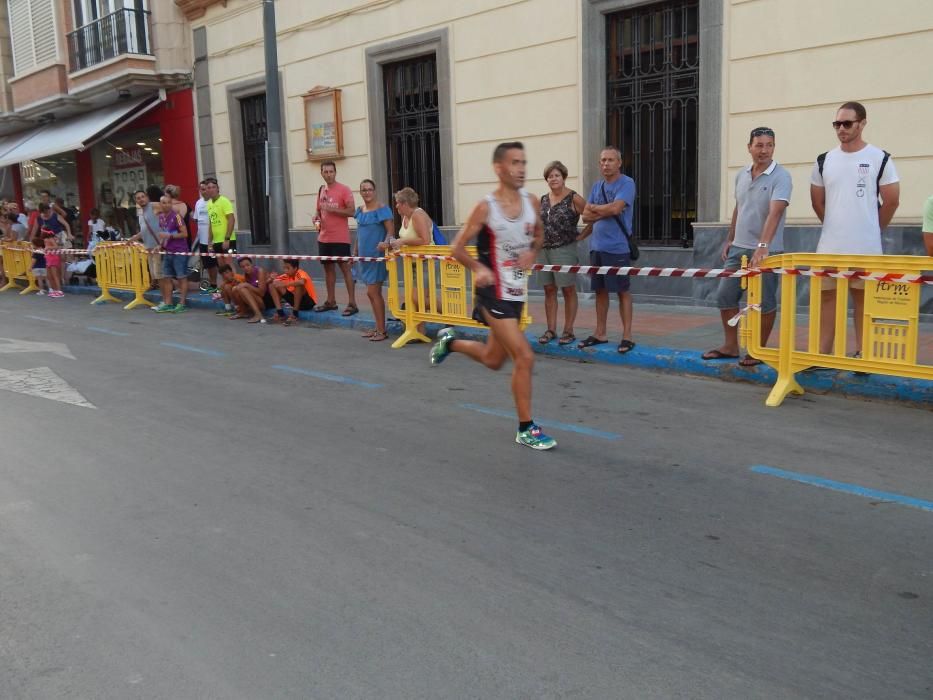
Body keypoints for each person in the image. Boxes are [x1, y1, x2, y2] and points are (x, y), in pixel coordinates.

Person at [430, 141, 556, 450]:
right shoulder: (486, 208)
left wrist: (532, 250)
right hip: (492, 293)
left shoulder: (532, 203)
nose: (522, 168)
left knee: (493, 359)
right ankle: (526, 427)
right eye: (515, 162)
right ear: (499, 168)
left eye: (524, 162)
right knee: (524, 356)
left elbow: (539, 234)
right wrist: (477, 268)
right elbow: (456, 248)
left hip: (515, 292)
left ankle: (451, 341)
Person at [810, 101, 900, 357]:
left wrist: (872, 228)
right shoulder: (824, 160)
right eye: (837, 124)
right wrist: (836, 224)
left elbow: (892, 200)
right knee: (828, 299)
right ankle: (822, 354)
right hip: (829, 247)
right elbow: (817, 201)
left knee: (864, 301)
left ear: (862, 123)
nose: (841, 129)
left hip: (865, 248)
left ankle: (863, 353)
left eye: (847, 123)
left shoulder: (879, 158)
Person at [702, 127, 792, 367]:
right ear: (749, 147)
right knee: (725, 295)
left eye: (769, 145)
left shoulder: (781, 176)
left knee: (764, 301)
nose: (764, 150)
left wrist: (763, 246)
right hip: (739, 248)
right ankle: (731, 346)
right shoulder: (741, 174)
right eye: (759, 145)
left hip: (767, 251)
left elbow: (776, 212)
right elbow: (739, 207)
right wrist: (730, 238)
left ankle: (758, 350)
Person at [579, 146, 637, 354]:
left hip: (617, 248)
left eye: (610, 160)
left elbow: (616, 208)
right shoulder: (597, 186)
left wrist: (597, 208)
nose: (605, 164)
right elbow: (585, 216)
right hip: (597, 247)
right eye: (603, 160)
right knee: (600, 291)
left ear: (619, 163)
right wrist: (600, 209)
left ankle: (627, 336)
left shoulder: (627, 183)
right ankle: (600, 332)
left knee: (622, 291)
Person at [537, 160, 588, 346]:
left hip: (564, 249)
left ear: (563, 177)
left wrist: (582, 235)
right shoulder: (543, 199)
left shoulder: (573, 198)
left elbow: (591, 216)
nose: (553, 179)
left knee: (567, 289)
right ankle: (551, 329)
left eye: (557, 175)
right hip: (544, 250)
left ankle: (569, 330)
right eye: (550, 176)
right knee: (548, 290)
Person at [314, 161, 358, 316]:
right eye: (325, 172)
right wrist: (316, 219)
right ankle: (331, 301)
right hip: (324, 237)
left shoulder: (344, 190)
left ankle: (352, 303)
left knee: (345, 269)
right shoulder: (321, 190)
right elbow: (319, 212)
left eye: (331, 171)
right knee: (328, 270)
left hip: (340, 238)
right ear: (321, 173)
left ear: (335, 172)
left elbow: (352, 211)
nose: (328, 174)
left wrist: (333, 209)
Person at [354, 179, 394, 341]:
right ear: (360, 192)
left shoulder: (382, 209)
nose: (367, 192)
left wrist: (385, 243)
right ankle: (378, 327)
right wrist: (355, 249)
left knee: (373, 292)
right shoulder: (360, 210)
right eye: (363, 190)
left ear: (375, 191)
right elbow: (359, 232)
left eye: (369, 189)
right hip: (364, 257)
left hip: (377, 257)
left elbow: (390, 230)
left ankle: (382, 331)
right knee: (371, 294)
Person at [391, 187, 434, 338]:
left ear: (404, 203)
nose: (396, 206)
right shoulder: (405, 217)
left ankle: (450, 312)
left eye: (397, 203)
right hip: (412, 263)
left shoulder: (417, 215)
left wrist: (402, 241)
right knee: (414, 298)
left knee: (418, 298)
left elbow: (425, 240)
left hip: (425, 262)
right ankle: (420, 332)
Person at [152, 195, 190, 314]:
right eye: (164, 202)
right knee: (166, 277)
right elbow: (165, 234)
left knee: (181, 277)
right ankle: (168, 303)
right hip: (168, 251)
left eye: (169, 202)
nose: (167, 204)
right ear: (160, 205)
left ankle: (182, 303)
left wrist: (170, 236)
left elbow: (185, 234)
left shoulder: (177, 216)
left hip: (179, 251)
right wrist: (160, 245)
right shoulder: (161, 218)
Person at [129, 189, 164, 286]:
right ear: (136, 201)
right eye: (138, 198)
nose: (141, 199)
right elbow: (144, 230)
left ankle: (166, 299)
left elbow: (170, 209)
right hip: (148, 246)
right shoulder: (141, 212)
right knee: (154, 274)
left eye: (143, 197)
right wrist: (132, 239)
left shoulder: (153, 206)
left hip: (158, 246)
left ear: (147, 197)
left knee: (159, 275)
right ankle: (162, 295)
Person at [269, 258, 317, 326]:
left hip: (308, 302)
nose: (285, 270)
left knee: (299, 285)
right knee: (272, 284)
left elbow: (302, 282)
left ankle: (294, 314)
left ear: (295, 268)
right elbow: (272, 282)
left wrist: (284, 284)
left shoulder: (300, 273)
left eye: (288, 268)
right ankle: (280, 313)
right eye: (284, 268)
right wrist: (271, 278)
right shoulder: (286, 276)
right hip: (294, 300)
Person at [205, 177, 236, 268]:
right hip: (216, 241)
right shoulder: (209, 203)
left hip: (226, 240)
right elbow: (211, 223)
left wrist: (227, 239)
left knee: (228, 265)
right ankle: (226, 283)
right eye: (209, 188)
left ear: (218, 188)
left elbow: (231, 219)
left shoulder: (224, 201)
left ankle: (236, 282)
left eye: (213, 187)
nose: (211, 189)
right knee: (221, 267)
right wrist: (209, 242)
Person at [193, 180, 218, 291]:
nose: (204, 191)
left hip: (214, 240)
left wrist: (210, 240)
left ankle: (220, 284)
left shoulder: (214, 202)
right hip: (202, 240)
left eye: (206, 189)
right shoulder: (198, 203)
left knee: (216, 263)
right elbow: (196, 219)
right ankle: (213, 285)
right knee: (207, 264)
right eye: (202, 189)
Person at [232, 256, 272, 323]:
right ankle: (243, 312)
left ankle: (258, 314)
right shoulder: (246, 275)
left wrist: (247, 285)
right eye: (243, 266)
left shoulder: (260, 271)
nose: (246, 268)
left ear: (252, 264)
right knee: (235, 289)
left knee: (243, 289)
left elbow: (262, 293)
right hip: (258, 299)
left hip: (266, 301)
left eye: (247, 265)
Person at [42, 229, 64, 298]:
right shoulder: (45, 239)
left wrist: (48, 247)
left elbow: (56, 247)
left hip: (53, 258)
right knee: (49, 276)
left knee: (55, 275)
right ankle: (54, 290)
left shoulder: (51, 239)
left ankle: (59, 291)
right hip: (48, 257)